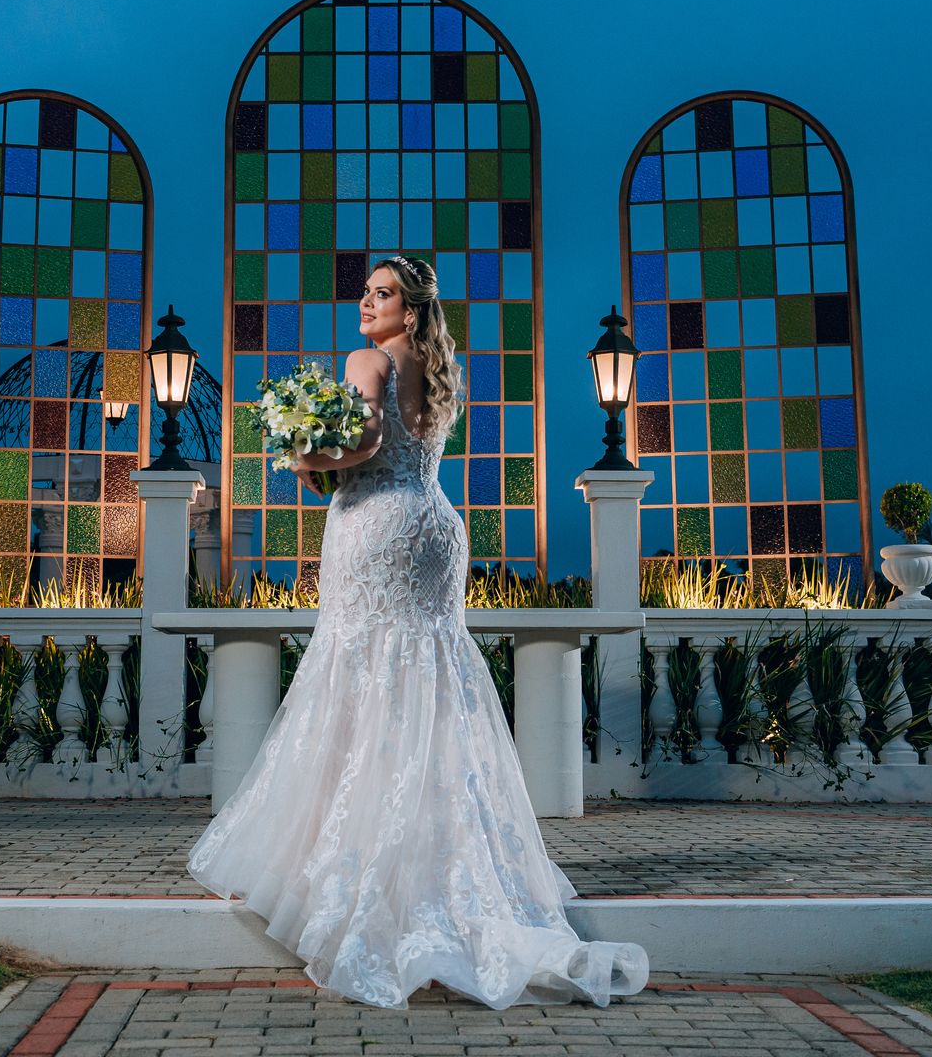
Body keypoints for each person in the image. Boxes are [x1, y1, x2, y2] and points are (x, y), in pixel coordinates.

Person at [187, 256, 649, 1010]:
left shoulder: (366, 359)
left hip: (377, 530)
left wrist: (302, 453)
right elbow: (402, 448)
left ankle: (354, 866)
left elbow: (363, 445)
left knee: (363, 671)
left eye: (383, 293)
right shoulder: (441, 371)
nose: (366, 302)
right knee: (426, 677)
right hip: (434, 526)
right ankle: (442, 858)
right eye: (366, 292)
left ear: (409, 307)